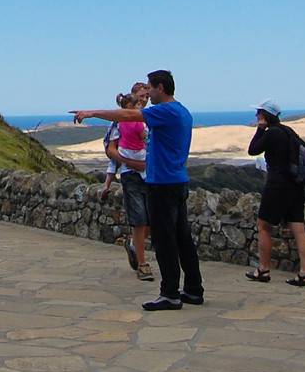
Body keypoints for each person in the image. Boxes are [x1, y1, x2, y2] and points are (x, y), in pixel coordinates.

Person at [72, 69, 205, 312]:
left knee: (165, 241)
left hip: (162, 184)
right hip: (178, 181)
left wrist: (91, 113)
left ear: (161, 88)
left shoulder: (164, 111)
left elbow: (127, 114)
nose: (147, 93)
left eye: (150, 88)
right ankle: (194, 290)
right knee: (182, 238)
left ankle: (170, 294)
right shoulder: (182, 111)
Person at [246, 100, 305, 287]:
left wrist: (260, 129)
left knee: (264, 226)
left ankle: (263, 269)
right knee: (298, 228)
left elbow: (253, 150)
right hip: (295, 186)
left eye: (258, 113)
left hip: (276, 186)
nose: (256, 116)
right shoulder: (289, 132)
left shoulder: (272, 133)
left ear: (264, 115)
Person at [114, 92, 153, 282]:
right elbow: (110, 147)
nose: (144, 100)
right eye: (141, 97)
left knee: (148, 220)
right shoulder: (125, 121)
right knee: (139, 219)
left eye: (146, 95)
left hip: (147, 173)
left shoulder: (147, 118)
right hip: (132, 174)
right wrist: (128, 161)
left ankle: (134, 246)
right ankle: (142, 264)